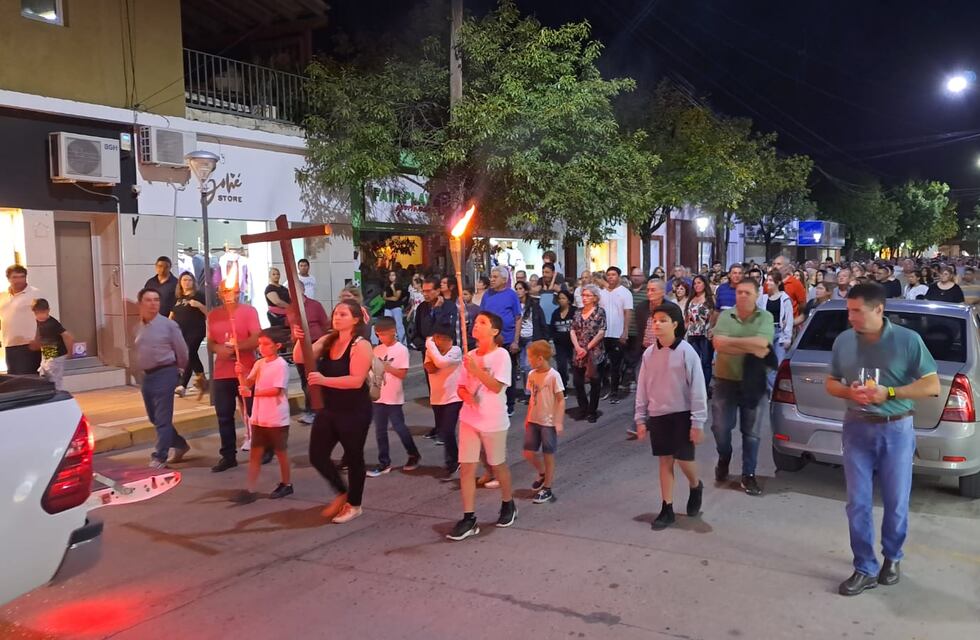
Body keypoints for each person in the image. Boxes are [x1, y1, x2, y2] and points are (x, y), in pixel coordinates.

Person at [824, 283, 939, 596]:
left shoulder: (908, 340)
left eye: (857, 311)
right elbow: (831, 382)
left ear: (879, 309)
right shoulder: (844, 341)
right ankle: (864, 566)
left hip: (896, 428)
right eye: (849, 311)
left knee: (896, 501)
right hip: (857, 427)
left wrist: (889, 392)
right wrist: (850, 392)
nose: (851, 318)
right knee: (857, 503)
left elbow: (931, 385)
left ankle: (893, 556)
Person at [634, 303, 707, 530]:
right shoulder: (649, 354)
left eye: (663, 320)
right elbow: (643, 387)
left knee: (684, 460)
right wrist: (640, 418)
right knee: (665, 460)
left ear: (675, 324)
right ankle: (667, 507)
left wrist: (697, 422)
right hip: (658, 415)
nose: (657, 324)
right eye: (654, 320)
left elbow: (698, 388)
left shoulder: (686, 352)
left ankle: (695, 485)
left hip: (682, 414)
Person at [447, 311, 517, 541]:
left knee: (497, 466)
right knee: (467, 468)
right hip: (469, 419)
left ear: (495, 331)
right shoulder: (470, 355)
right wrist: (465, 394)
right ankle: (469, 518)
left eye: (483, 322)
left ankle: (508, 503)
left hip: (493, 420)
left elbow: (497, 387)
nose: (476, 325)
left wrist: (476, 370)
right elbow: (460, 386)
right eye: (475, 322)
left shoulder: (501, 356)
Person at [307, 301, 374, 524]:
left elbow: (356, 381)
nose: (337, 317)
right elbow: (302, 357)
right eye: (335, 313)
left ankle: (354, 504)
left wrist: (324, 380)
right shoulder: (328, 339)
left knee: (354, 457)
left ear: (355, 319)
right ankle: (341, 491)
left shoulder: (360, 345)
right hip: (329, 408)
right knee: (317, 455)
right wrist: (300, 338)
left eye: (343, 314)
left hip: (354, 410)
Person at [711, 278, 774, 496]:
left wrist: (732, 344)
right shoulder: (726, 316)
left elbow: (763, 346)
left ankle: (749, 474)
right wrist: (750, 344)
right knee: (720, 428)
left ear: (757, 295)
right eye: (739, 292)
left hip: (753, 383)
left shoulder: (765, 317)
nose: (742, 296)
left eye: (747, 292)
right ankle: (724, 457)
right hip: (725, 381)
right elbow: (718, 344)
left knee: (752, 433)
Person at [231, 330, 294, 503]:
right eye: (260, 344)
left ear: (277, 346)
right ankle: (250, 489)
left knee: (281, 453)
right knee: (255, 453)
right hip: (259, 417)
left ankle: (287, 483)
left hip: (276, 417)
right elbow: (248, 383)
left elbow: (276, 390)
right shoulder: (259, 364)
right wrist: (241, 373)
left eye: (266, 344)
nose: (261, 347)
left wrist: (252, 393)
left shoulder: (281, 365)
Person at [208, 281, 262, 472]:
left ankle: (264, 448)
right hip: (222, 372)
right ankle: (228, 455)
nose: (231, 295)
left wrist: (237, 348)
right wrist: (218, 349)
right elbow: (211, 342)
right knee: (224, 414)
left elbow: (257, 338)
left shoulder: (249, 312)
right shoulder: (214, 315)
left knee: (254, 412)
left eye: (234, 291)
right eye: (226, 291)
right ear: (220, 293)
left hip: (246, 369)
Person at [133, 288, 189, 469]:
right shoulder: (139, 325)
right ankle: (179, 444)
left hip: (165, 372)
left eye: (156, 300)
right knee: (154, 417)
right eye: (148, 300)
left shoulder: (168, 325)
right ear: (141, 304)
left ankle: (160, 456)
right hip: (147, 376)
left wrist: (179, 370)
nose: (153, 304)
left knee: (163, 417)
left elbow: (182, 351)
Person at [367, 317, 420, 477]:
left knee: (399, 427)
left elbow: (402, 373)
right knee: (380, 430)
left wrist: (386, 368)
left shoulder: (401, 350)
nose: (380, 337)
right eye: (378, 334)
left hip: (393, 396)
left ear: (393, 331)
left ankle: (413, 453)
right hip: (378, 395)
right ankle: (384, 462)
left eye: (383, 333)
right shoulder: (377, 350)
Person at [522, 340, 565, 504]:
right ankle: (542, 473)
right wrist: (527, 417)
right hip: (533, 420)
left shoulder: (554, 376)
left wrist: (558, 421)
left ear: (540, 358)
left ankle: (547, 487)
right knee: (528, 452)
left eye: (530, 358)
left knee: (548, 455)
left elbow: (561, 400)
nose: (528, 361)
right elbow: (533, 398)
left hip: (548, 422)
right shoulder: (532, 375)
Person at [480, 266, 523, 416]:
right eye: (491, 276)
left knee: (506, 374)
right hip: (490, 342)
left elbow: (518, 318)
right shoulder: (487, 295)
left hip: (507, 340)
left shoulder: (511, 295)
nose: (491, 279)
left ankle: (509, 404)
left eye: (495, 277)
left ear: (504, 280)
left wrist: (515, 341)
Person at [424, 323, 463, 482]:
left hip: (454, 397)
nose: (437, 341)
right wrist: (434, 353)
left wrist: (429, 345)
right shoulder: (431, 352)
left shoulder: (456, 351)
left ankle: (453, 461)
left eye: (440, 338)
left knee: (447, 430)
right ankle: (454, 457)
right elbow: (430, 368)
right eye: (435, 338)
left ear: (449, 339)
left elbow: (439, 364)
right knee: (443, 432)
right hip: (437, 397)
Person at [289, 279, 330, 425]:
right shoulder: (291, 308)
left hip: (315, 343)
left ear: (302, 290)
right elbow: (292, 328)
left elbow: (324, 324)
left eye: (295, 290)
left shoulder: (315, 305)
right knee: (304, 381)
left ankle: (316, 410)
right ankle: (311, 410)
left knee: (313, 378)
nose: (293, 294)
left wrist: (323, 344)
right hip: (300, 346)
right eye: (290, 291)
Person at [570, 285, 607, 423]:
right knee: (578, 382)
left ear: (595, 298)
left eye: (588, 295)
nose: (584, 298)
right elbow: (572, 330)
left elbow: (601, 332)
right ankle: (583, 408)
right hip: (578, 352)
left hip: (594, 352)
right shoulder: (578, 312)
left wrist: (586, 348)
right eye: (583, 295)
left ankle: (592, 411)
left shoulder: (600, 312)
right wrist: (578, 347)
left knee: (595, 382)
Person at [169, 272, 207, 397]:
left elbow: (209, 312)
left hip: (196, 330)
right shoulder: (177, 297)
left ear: (193, 282)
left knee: (188, 352)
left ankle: (182, 384)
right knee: (192, 355)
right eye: (184, 280)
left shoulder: (199, 295)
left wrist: (199, 305)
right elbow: (172, 314)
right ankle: (202, 382)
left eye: (189, 280)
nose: (187, 282)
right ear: (180, 282)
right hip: (180, 331)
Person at [1, 265, 43, 374]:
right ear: (8, 279)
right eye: (15, 277)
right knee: (14, 379)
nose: (19, 280)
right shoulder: (3, 296)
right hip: (10, 344)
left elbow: (43, 318)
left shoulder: (35, 294)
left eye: (22, 277)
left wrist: (38, 339)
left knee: (28, 378)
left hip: (28, 344)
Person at [599, 267, 634, 403]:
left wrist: (625, 331)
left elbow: (627, 313)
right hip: (603, 333)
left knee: (616, 365)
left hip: (617, 333)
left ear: (618, 276)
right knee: (600, 363)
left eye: (613, 275)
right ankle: (605, 386)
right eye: (608, 275)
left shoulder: (625, 293)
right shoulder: (601, 293)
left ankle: (614, 392)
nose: (611, 277)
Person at [514, 281, 548, 402]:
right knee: (523, 367)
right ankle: (528, 391)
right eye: (516, 289)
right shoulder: (515, 305)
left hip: (531, 338)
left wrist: (545, 338)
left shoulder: (533, 305)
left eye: (520, 289)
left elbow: (541, 321)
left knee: (527, 365)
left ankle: (531, 392)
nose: (518, 291)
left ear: (526, 290)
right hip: (520, 338)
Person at [759, 270, 793, 390]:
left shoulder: (785, 298)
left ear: (777, 283)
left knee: (778, 365)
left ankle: (777, 391)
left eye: (770, 281)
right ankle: (774, 391)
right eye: (767, 280)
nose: (768, 283)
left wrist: (787, 337)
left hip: (779, 332)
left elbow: (789, 318)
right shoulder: (763, 299)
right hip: (766, 333)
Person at [30, 298, 73, 391]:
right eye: (37, 313)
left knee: (54, 377)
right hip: (48, 350)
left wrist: (70, 352)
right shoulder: (39, 321)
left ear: (48, 311)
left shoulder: (53, 323)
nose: (39, 315)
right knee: (44, 372)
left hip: (57, 353)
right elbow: (39, 332)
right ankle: (49, 393)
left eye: (42, 312)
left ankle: (57, 396)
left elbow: (68, 336)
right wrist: (36, 342)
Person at [684, 275, 714, 393]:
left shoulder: (710, 299)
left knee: (706, 362)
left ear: (704, 284)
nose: (697, 285)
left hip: (705, 333)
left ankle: (705, 389)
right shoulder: (691, 300)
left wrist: (712, 329)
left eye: (699, 283)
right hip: (692, 334)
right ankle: (695, 388)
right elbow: (687, 318)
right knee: (694, 362)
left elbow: (713, 316)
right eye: (695, 283)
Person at [549, 290, 576, 389]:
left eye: (563, 298)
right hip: (560, 345)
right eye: (559, 298)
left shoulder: (575, 311)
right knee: (561, 367)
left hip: (573, 344)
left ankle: (578, 385)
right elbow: (552, 328)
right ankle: (563, 386)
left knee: (575, 366)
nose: (561, 300)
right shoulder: (555, 313)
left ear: (568, 300)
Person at [382, 270, 408, 343]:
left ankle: (403, 343)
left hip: (396, 307)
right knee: (388, 325)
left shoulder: (398, 285)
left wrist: (393, 288)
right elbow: (384, 297)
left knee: (399, 325)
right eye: (390, 275)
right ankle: (389, 342)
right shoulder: (386, 285)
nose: (391, 277)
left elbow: (396, 297)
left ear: (396, 276)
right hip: (387, 307)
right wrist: (391, 298)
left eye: (393, 275)